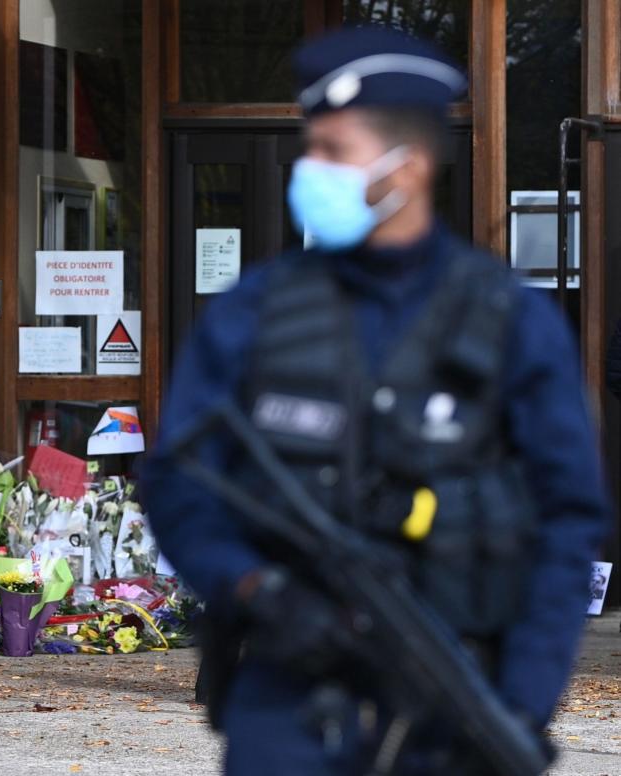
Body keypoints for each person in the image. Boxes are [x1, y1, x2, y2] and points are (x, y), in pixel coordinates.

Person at [143, 26, 611, 774]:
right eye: (313, 148)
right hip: (287, 701)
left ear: (410, 165)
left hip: (454, 700)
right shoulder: (256, 312)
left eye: (335, 152)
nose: (312, 168)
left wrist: (519, 701)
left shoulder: (508, 322)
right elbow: (178, 479)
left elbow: (566, 520)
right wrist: (252, 585)